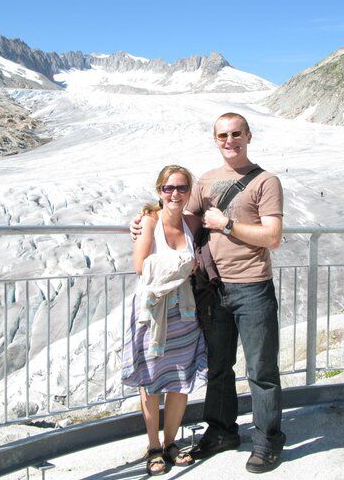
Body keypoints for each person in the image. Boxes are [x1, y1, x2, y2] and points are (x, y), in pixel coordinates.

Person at [132, 113, 285, 474]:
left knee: (262, 369)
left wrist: (227, 224)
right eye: (222, 135)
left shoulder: (266, 182)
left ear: (248, 135)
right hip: (214, 290)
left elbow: (273, 237)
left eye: (236, 134)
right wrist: (144, 219)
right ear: (215, 140)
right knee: (218, 368)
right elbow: (180, 216)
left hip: (252, 287)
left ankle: (267, 439)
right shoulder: (206, 181)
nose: (229, 140)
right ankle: (221, 432)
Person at [122, 165, 208, 476]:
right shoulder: (149, 221)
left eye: (182, 188)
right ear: (159, 191)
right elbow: (140, 266)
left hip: (184, 312)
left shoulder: (192, 222)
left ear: (189, 192)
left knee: (180, 378)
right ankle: (154, 445)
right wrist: (185, 264)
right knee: (152, 379)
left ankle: (172, 442)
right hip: (153, 311)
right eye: (169, 188)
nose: (175, 193)